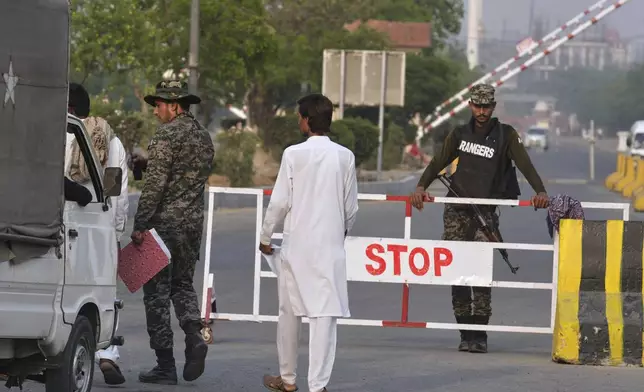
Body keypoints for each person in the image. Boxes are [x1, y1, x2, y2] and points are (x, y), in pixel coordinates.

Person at [409, 83, 549, 354]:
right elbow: (438, 161)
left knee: (481, 276)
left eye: (486, 106)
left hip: (485, 215)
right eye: (477, 105)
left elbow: (524, 164)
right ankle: (465, 333)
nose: (482, 111)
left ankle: (480, 335)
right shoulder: (459, 134)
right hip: (457, 214)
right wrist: (420, 186)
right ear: (471, 106)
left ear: (493, 107)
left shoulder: (505, 135)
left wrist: (540, 191)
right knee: (457, 275)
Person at [258, 93, 359, 392]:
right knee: (323, 317)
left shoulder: (293, 154)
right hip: (328, 249)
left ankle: (287, 379)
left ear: (306, 119)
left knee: (289, 313)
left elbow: (279, 203)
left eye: (299, 116)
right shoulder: (345, 157)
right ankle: (318, 385)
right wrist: (337, 232)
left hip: (296, 249)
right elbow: (351, 209)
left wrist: (265, 238)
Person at [130, 80, 214, 385]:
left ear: (175, 105)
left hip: (164, 226)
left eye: (160, 105)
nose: (156, 111)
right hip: (192, 226)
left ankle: (165, 365)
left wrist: (140, 224)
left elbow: (156, 185)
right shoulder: (204, 137)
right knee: (182, 285)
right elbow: (184, 174)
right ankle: (195, 337)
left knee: (155, 294)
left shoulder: (166, 135)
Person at [67, 82, 129, 385]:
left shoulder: (62, 133)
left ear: (69, 109)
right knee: (105, 292)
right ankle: (107, 356)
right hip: (99, 227)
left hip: (65, 228)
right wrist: (115, 233)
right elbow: (117, 192)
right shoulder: (112, 143)